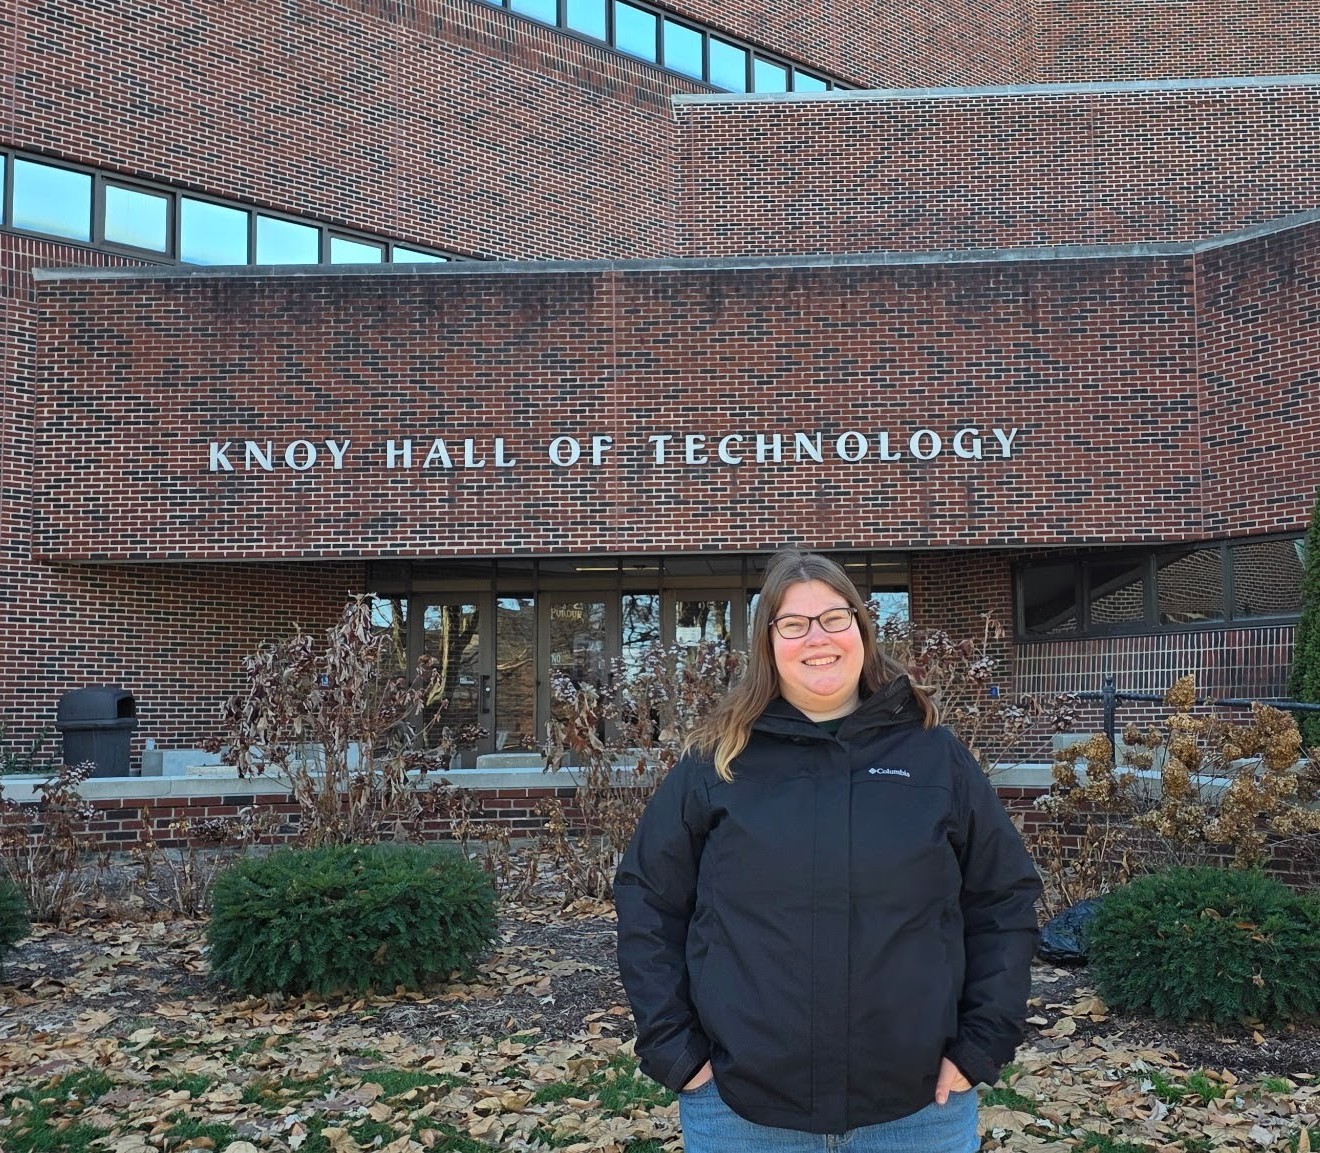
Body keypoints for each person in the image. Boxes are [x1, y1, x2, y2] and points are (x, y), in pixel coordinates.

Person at [614, 550, 1041, 1152]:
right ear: (768, 642)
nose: (818, 638)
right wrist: (676, 1051)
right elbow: (648, 903)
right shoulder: (716, 764)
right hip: (744, 1110)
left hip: (918, 1108)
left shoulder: (934, 756)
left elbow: (1003, 898)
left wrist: (983, 1042)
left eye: (835, 618)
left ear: (861, 630)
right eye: (793, 623)